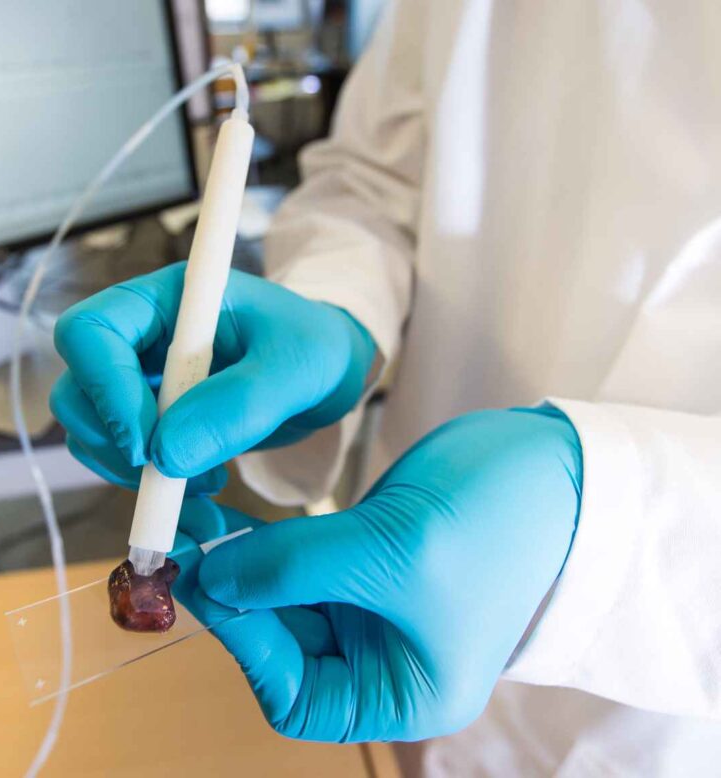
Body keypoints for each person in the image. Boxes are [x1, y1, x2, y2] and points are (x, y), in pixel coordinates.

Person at [49, 0, 721, 773]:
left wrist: (607, 524)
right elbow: (375, 176)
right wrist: (339, 317)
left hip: (673, 710)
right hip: (393, 602)